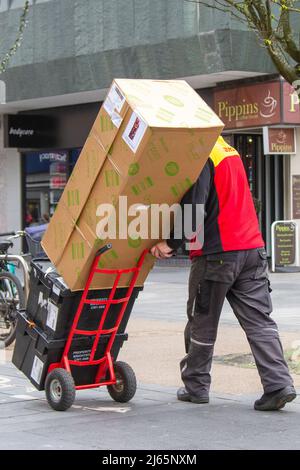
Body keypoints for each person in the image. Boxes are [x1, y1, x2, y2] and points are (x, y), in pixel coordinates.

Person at [151, 136, 296, 411]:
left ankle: (196, 386)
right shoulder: (227, 150)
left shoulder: (200, 153)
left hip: (217, 253)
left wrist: (169, 243)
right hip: (252, 249)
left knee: (201, 320)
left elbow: (195, 205)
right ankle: (278, 384)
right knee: (260, 321)